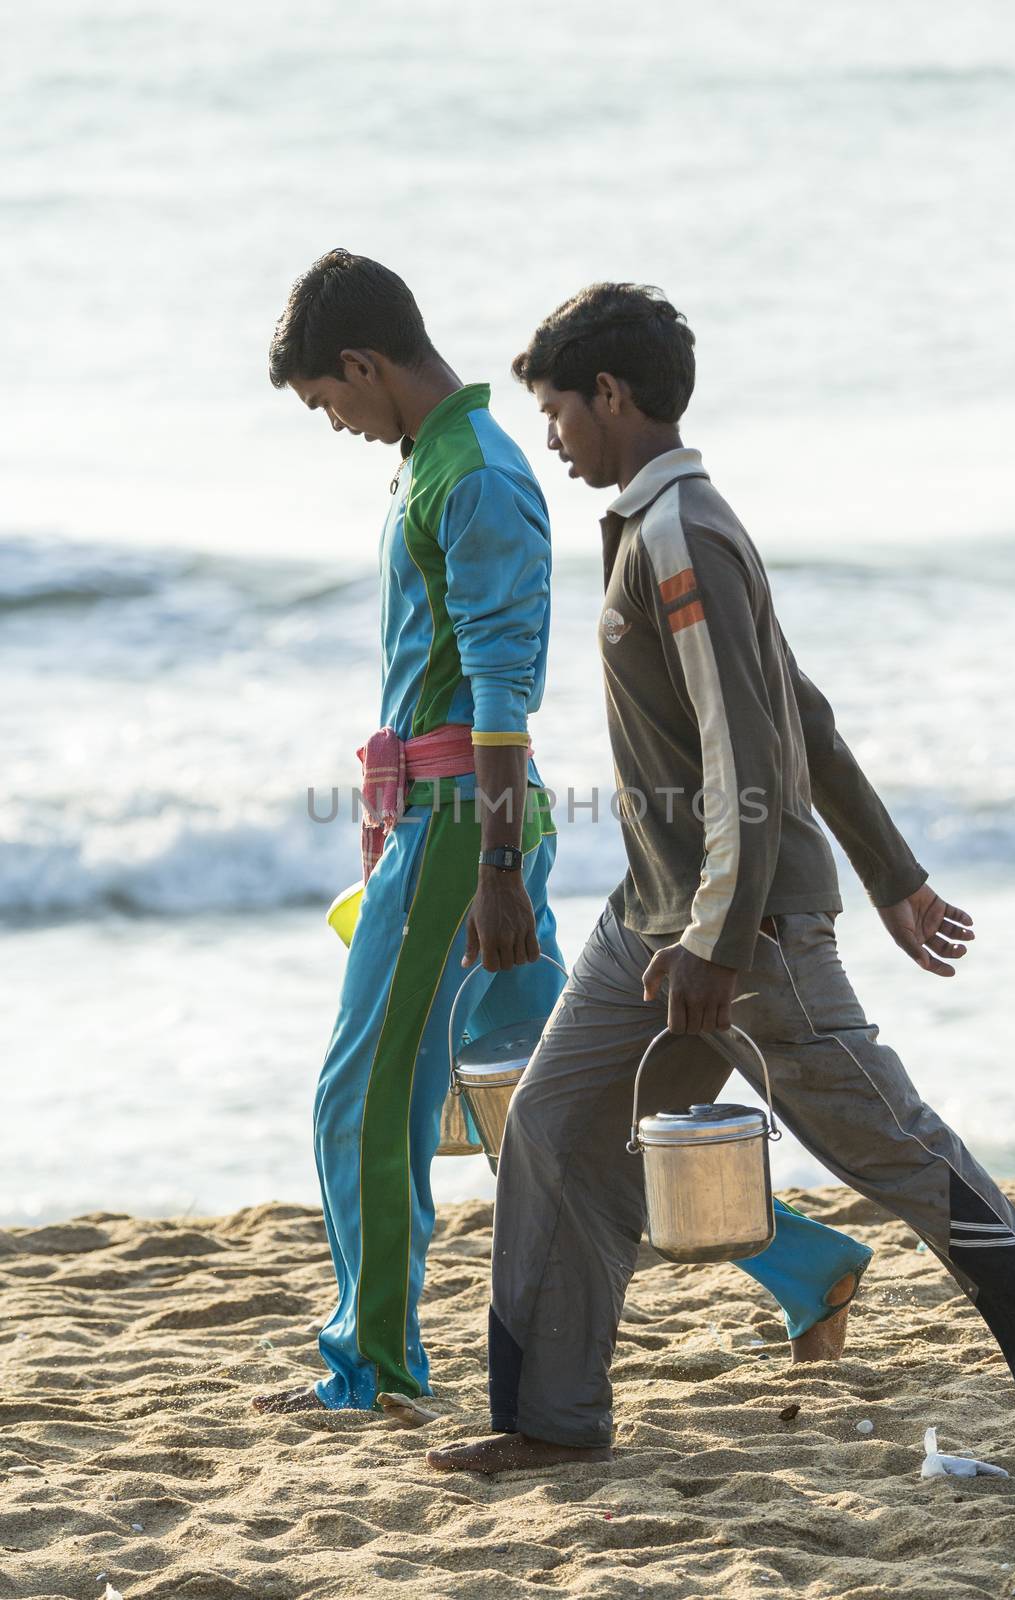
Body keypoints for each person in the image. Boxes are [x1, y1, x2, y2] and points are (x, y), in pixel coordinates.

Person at [428, 281, 1015, 1472]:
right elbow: (804, 714)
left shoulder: (681, 534)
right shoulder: (656, 524)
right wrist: (894, 872)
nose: (555, 436)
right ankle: (551, 1423)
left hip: (744, 929)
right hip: (651, 923)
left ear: (610, 396)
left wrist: (725, 940)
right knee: (556, 1128)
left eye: (560, 411)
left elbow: (751, 745)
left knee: (890, 1151)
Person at [254, 253, 875, 1417]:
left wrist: (487, 867)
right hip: (440, 821)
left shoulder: (475, 475)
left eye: (324, 400)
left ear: (360, 363)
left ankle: (371, 1363)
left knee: (362, 1092)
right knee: (532, 1109)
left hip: (466, 830)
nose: (330, 422)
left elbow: (499, 687)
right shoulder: (432, 461)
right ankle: (800, 1259)